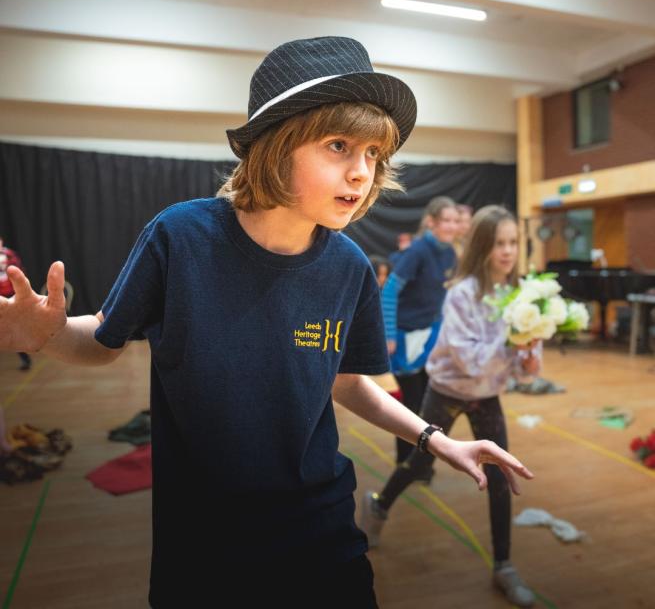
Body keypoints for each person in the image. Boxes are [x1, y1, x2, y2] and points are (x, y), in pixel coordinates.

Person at [0, 37, 533, 608]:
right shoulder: (181, 237)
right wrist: (50, 335)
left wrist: (433, 439)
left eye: (373, 154)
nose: (361, 172)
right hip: (203, 535)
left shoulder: (349, 267)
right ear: (277, 145)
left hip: (323, 525)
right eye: (339, 145)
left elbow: (348, 383)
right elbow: (105, 341)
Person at [360, 205, 539, 607]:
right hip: (447, 389)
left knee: (500, 476)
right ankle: (378, 505)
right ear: (480, 246)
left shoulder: (519, 294)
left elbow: (525, 372)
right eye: (498, 243)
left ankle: (504, 566)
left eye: (513, 242)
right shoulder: (460, 294)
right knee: (420, 464)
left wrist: (529, 355)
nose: (507, 251)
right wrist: (512, 342)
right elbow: (469, 359)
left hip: (487, 394)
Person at [382, 196, 459, 466]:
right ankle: (405, 463)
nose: (452, 226)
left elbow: (442, 296)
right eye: (446, 221)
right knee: (410, 407)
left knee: (430, 404)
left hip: (430, 337)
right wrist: (389, 334)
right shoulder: (416, 251)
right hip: (405, 338)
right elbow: (389, 291)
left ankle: (421, 462)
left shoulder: (450, 252)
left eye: (455, 221)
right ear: (431, 222)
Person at [0, 236, 32, 371]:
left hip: (11, 295)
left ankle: (26, 360)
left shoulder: (9, 255)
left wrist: (6, 265)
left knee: (15, 328)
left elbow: (20, 273)